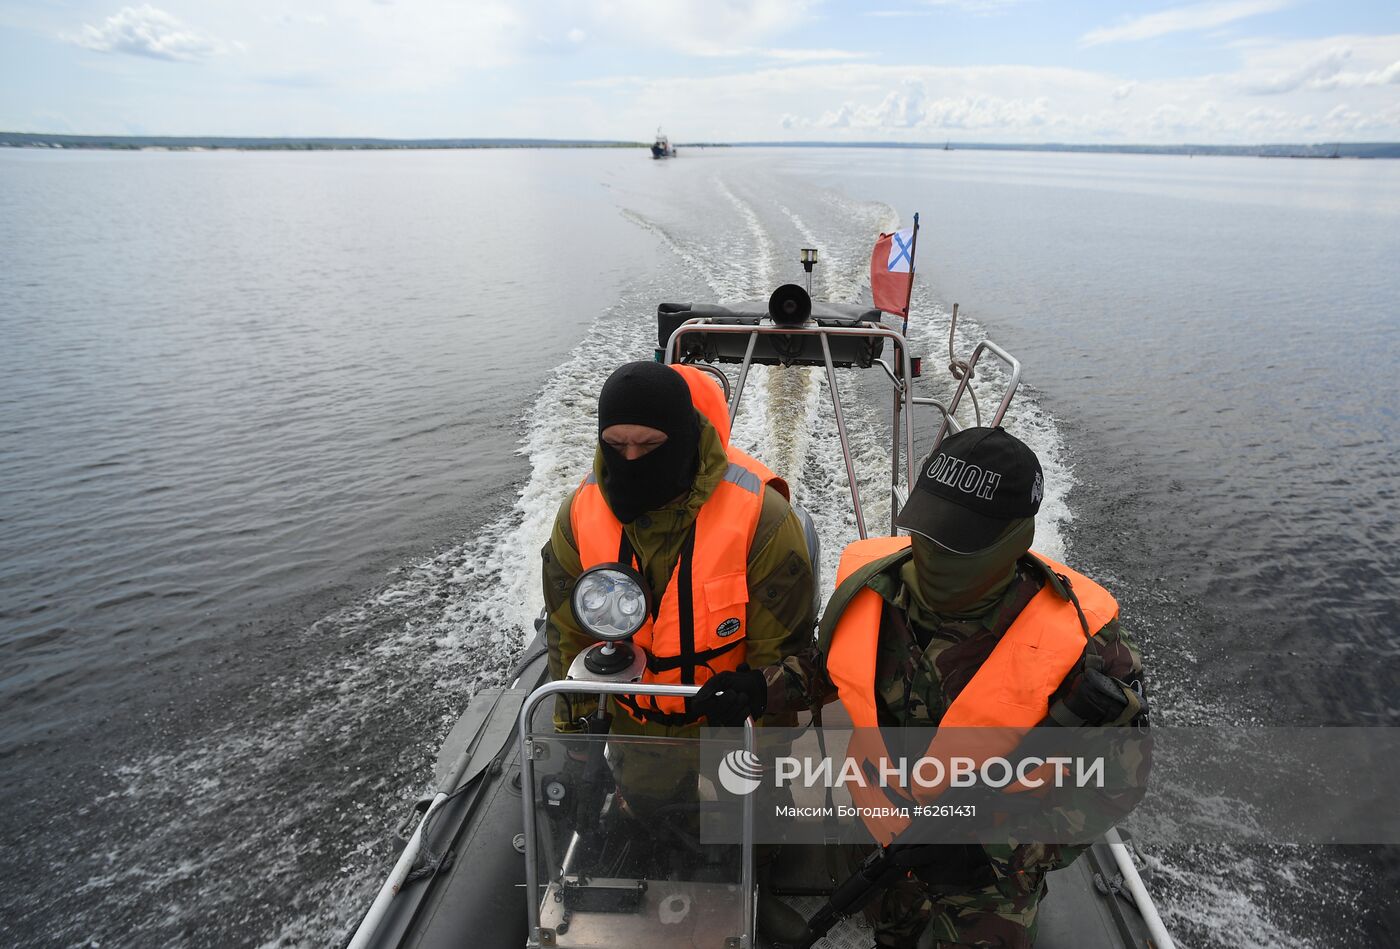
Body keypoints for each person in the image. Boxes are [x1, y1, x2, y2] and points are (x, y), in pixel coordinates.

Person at [815, 426, 1148, 949]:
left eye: (960, 540)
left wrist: (997, 849)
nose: (933, 552)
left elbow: (1115, 783)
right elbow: (827, 667)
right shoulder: (869, 586)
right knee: (889, 931)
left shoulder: (1088, 644)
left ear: (1016, 538)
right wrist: (759, 687)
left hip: (989, 869)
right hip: (880, 825)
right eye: (929, 529)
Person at [540, 359, 816, 938]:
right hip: (637, 729)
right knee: (646, 830)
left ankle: (753, 891)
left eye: (650, 444)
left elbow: (793, 659)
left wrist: (756, 696)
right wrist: (576, 748)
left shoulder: (762, 520)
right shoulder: (578, 519)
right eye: (616, 446)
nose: (632, 461)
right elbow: (568, 640)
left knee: (752, 841)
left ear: (686, 437)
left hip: (734, 730)